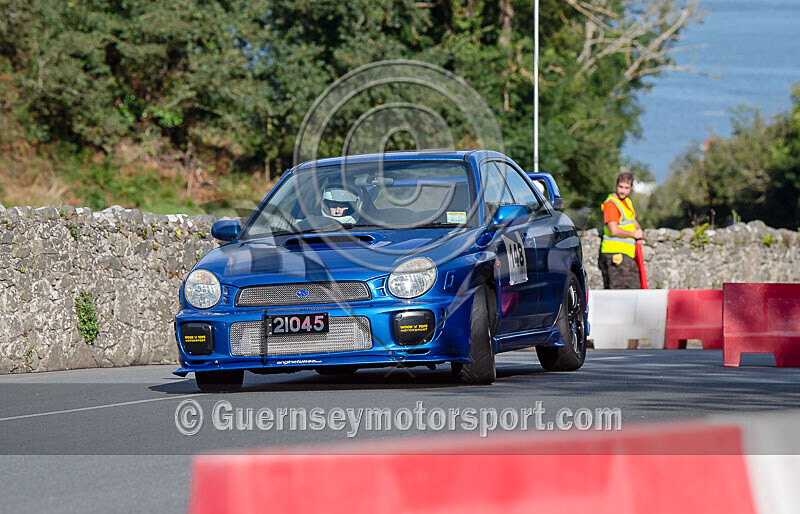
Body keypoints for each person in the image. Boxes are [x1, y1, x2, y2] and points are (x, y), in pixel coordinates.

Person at [598, 172, 644, 289]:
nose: (623, 191)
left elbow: (632, 220)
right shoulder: (611, 204)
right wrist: (634, 234)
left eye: (626, 188)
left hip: (627, 255)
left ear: (631, 188)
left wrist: (639, 231)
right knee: (619, 294)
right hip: (615, 254)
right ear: (616, 185)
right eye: (621, 187)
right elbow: (613, 230)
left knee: (634, 293)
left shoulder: (627, 202)